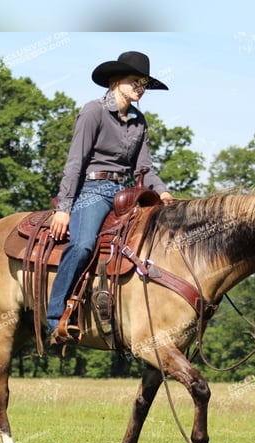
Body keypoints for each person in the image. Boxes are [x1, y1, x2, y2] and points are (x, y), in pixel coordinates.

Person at [47, 51, 173, 343]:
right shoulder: (93, 111)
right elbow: (75, 162)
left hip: (126, 194)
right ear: (116, 82)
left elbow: (145, 168)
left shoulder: (140, 122)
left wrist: (164, 192)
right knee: (82, 246)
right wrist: (64, 207)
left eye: (144, 84)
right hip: (92, 191)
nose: (140, 88)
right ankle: (55, 317)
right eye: (135, 82)